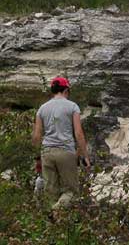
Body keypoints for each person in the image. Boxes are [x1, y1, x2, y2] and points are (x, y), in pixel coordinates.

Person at [32, 76, 90, 212]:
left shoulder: (42, 109)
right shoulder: (72, 106)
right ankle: (56, 212)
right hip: (65, 152)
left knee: (51, 193)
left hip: (46, 152)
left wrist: (37, 156)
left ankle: (53, 225)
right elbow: (79, 133)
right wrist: (85, 155)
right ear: (66, 90)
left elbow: (37, 135)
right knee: (72, 192)